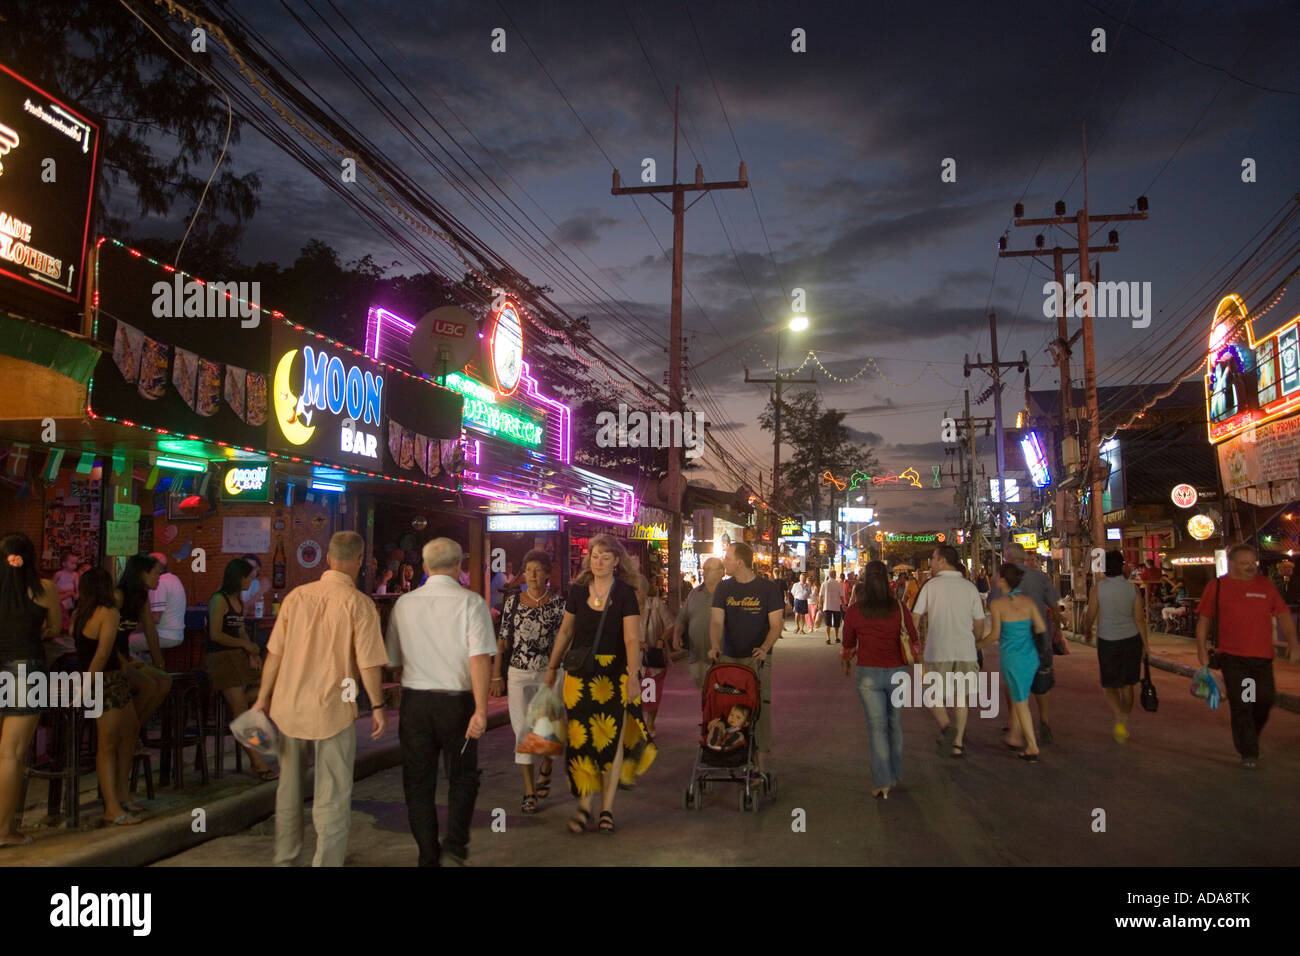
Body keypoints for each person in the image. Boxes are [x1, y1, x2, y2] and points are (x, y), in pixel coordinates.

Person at [252, 532, 389, 866]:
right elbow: (368, 663)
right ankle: (326, 861)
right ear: (358, 562)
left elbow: (274, 655)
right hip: (334, 707)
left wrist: (261, 699)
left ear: (328, 559)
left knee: (289, 789)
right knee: (333, 793)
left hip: (290, 706)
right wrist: (377, 705)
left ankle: (286, 857)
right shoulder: (360, 604)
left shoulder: (296, 598)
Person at [387, 538, 493, 865]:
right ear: (459, 565)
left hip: (415, 703)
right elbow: (479, 659)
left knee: (418, 784)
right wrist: (481, 708)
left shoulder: (404, 604)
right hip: (457, 704)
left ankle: (428, 855)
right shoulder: (471, 603)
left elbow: (393, 660)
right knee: (462, 776)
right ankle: (456, 844)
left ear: (425, 567)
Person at [545, 534, 654, 834]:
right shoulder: (578, 591)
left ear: (616, 562)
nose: (599, 561)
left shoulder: (624, 594)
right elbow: (566, 632)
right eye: (595, 555)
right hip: (579, 675)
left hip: (614, 673)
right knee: (580, 739)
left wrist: (633, 676)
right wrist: (552, 665)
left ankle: (606, 808)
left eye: (606, 556)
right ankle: (583, 806)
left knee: (610, 738)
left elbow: (632, 638)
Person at [1195, 543, 1300, 769]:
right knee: (1243, 702)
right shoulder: (1218, 587)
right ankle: (1249, 751)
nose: (1250, 567)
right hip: (1234, 659)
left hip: (1261, 658)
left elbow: (1282, 614)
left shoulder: (1265, 586)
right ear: (1231, 564)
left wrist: (1293, 641)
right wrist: (1201, 648)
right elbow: (1204, 618)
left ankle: (1251, 736)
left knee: (1262, 699)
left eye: (1253, 563)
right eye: (1244, 563)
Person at [492, 548, 564, 815]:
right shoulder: (512, 602)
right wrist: (496, 674)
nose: (532, 575)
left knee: (546, 727)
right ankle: (528, 790)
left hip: (548, 672)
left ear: (547, 574)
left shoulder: (558, 605)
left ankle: (547, 762)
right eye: (528, 570)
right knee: (522, 731)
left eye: (538, 570)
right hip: (518, 672)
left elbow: (563, 639)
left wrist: (555, 667)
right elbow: (503, 639)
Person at [0, 533, 61, 845]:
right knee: (11, 755)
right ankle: (4, 831)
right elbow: (55, 628)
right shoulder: (45, 589)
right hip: (28, 671)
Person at [73, 568, 142, 824]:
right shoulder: (109, 613)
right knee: (108, 744)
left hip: (107, 680)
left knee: (129, 731)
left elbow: (85, 650)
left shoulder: (79, 614)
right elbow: (102, 654)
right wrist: (87, 687)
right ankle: (112, 807)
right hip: (106, 681)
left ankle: (121, 796)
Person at [841, 561, 914, 799]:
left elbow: (848, 643)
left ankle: (882, 782)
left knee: (877, 728)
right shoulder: (899, 608)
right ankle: (895, 773)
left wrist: (848, 655)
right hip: (899, 674)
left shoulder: (855, 611)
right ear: (886, 581)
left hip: (869, 674)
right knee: (895, 723)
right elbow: (912, 637)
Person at [709, 542, 782, 776]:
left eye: (727, 558)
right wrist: (714, 645)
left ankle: (761, 763)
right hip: (729, 658)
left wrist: (765, 647)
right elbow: (717, 621)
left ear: (739, 563)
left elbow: (776, 625)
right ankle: (727, 751)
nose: (724, 562)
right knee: (726, 706)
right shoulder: (723, 588)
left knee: (760, 709)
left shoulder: (768, 589)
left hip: (757, 660)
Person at [911, 545, 986, 758]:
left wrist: (915, 643)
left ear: (943, 560)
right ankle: (958, 742)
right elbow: (979, 623)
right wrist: (975, 641)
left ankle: (946, 726)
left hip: (937, 650)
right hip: (965, 650)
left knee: (932, 694)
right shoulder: (969, 587)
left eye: (933, 558)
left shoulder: (930, 586)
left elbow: (915, 617)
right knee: (960, 698)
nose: (931, 563)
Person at [206, 558, 277, 780]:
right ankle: (258, 762)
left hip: (237, 657)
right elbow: (215, 635)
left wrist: (252, 653)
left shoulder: (237, 599)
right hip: (219, 659)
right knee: (242, 711)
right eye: (249, 576)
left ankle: (241, 714)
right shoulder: (219, 600)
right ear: (239, 578)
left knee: (269, 689)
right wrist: (244, 646)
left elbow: (241, 630)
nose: (252, 580)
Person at [1081, 550, 1149, 743]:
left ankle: (1119, 717)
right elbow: (1139, 619)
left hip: (1107, 640)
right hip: (1131, 640)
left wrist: (1086, 630)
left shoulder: (1098, 589)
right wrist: (1146, 645)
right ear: (1122, 565)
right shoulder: (1132, 589)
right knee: (1128, 684)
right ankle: (1123, 719)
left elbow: (1091, 613)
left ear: (1104, 566)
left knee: (1109, 684)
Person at [982, 563, 1046, 761]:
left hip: (1012, 658)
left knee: (1020, 703)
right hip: (1031, 656)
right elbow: (1041, 627)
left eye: (997, 576)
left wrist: (976, 644)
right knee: (1022, 697)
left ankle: (1032, 746)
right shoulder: (1028, 602)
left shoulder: (998, 605)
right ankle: (1015, 736)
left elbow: (994, 635)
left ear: (1002, 579)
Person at [1004, 542, 1060, 744]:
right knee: (1041, 681)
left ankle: (1015, 723)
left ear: (1009, 557)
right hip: (1040, 637)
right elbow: (1054, 607)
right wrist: (1057, 630)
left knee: (1013, 683)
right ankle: (1043, 719)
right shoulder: (1040, 577)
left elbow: (992, 605)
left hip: (1014, 640)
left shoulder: (1004, 579)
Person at [116, 555, 172, 736]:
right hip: (112, 660)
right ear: (142, 574)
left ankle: (132, 731)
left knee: (164, 680)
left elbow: (151, 632)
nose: (159, 577)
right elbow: (103, 638)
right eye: (156, 573)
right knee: (148, 686)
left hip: (126, 657)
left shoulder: (142, 598)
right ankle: (127, 734)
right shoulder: (118, 596)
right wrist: (124, 662)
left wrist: (160, 665)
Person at [672, 557, 725, 689]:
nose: (704, 572)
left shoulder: (728, 593)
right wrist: (676, 635)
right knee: (704, 695)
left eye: (709, 569)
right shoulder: (694, 593)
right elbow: (682, 618)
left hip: (723, 658)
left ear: (721, 572)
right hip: (698, 658)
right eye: (704, 569)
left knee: (722, 697)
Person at [129, 551, 186, 659]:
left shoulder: (160, 583)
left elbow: (154, 618)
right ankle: (149, 666)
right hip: (175, 634)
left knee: (123, 644)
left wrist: (131, 628)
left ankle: (144, 673)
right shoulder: (174, 579)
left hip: (164, 634)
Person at [638, 573, 674, 735]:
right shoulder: (625, 607)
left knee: (650, 692)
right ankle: (638, 724)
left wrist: (660, 640)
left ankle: (650, 723)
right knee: (634, 692)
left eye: (637, 590)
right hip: (634, 659)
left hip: (653, 658)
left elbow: (671, 625)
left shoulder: (655, 604)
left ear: (645, 591)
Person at [53, 551, 80, 635]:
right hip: (60, 596)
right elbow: (52, 585)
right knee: (59, 613)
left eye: (76, 563)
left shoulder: (75, 575)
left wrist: (76, 594)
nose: (74, 565)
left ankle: (66, 630)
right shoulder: (59, 574)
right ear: (64, 563)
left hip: (69, 598)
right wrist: (61, 590)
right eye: (72, 563)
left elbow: (77, 586)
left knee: (67, 614)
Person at [820, 568, 844, 644]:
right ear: (834, 575)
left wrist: (820, 604)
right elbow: (842, 596)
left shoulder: (824, 584)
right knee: (837, 623)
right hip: (836, 606)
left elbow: (820, 595)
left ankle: (828, 638)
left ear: (829, 575)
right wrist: (843, 604)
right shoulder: (838, 584)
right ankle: (837, 637)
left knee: (828, 623)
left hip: (827, 605)